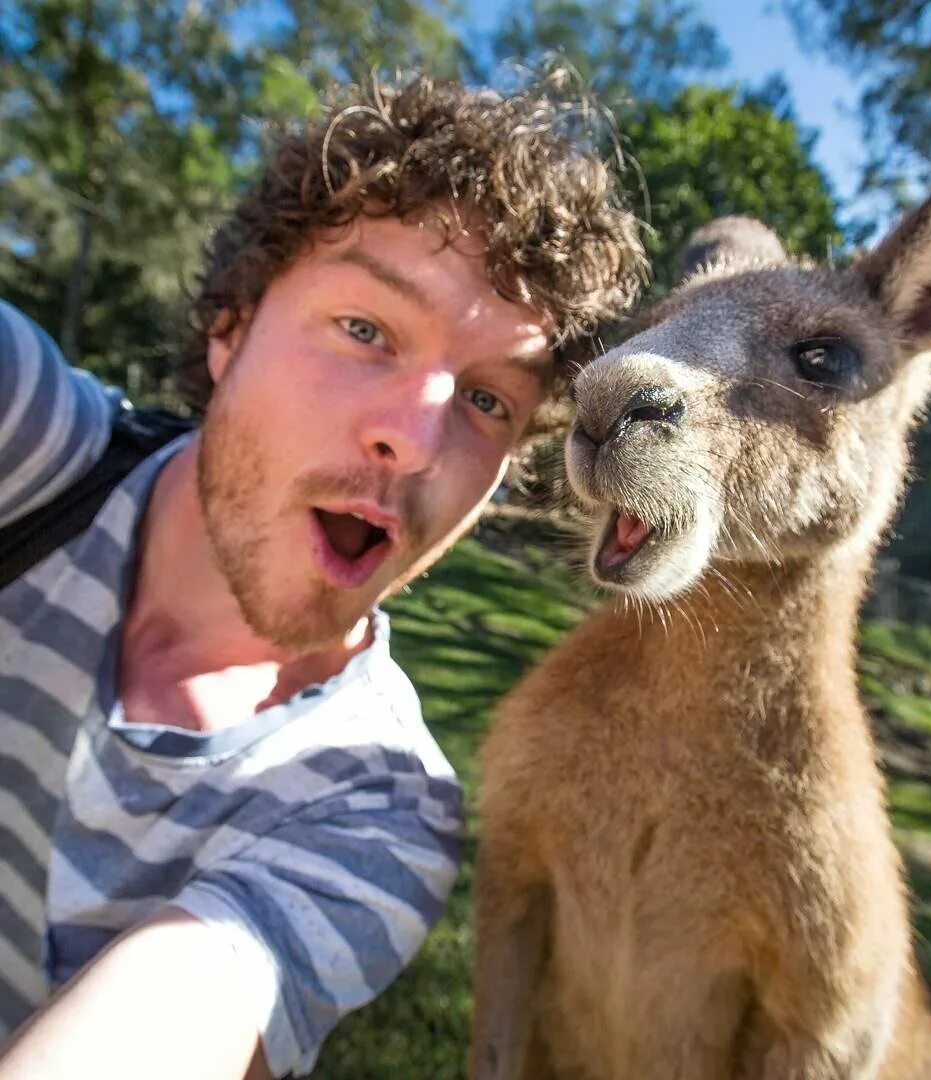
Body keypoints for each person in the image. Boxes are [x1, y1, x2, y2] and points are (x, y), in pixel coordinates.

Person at [0, 72, 645, 1080]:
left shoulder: (373, 807)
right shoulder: (32, 453)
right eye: (366, 330)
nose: (417, 439)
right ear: (231, 327)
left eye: (487, 400)